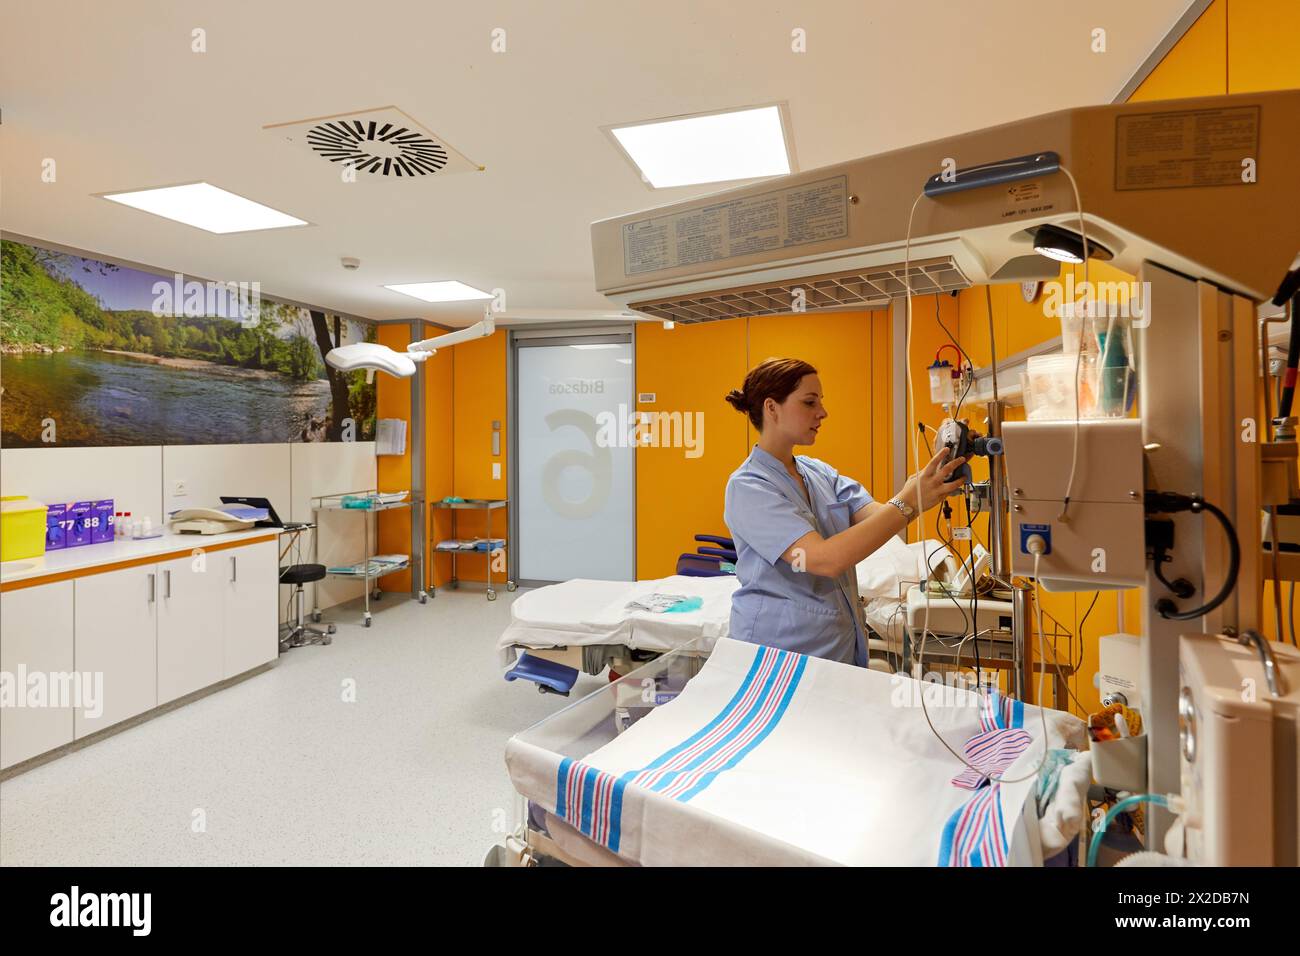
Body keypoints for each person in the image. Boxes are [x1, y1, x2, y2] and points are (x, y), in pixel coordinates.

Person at [723, 357, 964, 666]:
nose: (822, 412)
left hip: (837, 645)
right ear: (772, 408)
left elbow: (880, 519)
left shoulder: (819, 473)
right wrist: (909, 501)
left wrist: (923, 488)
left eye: (820, 402)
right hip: (780, 652)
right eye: (810, 402)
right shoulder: (748, 487)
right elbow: (824, 560)